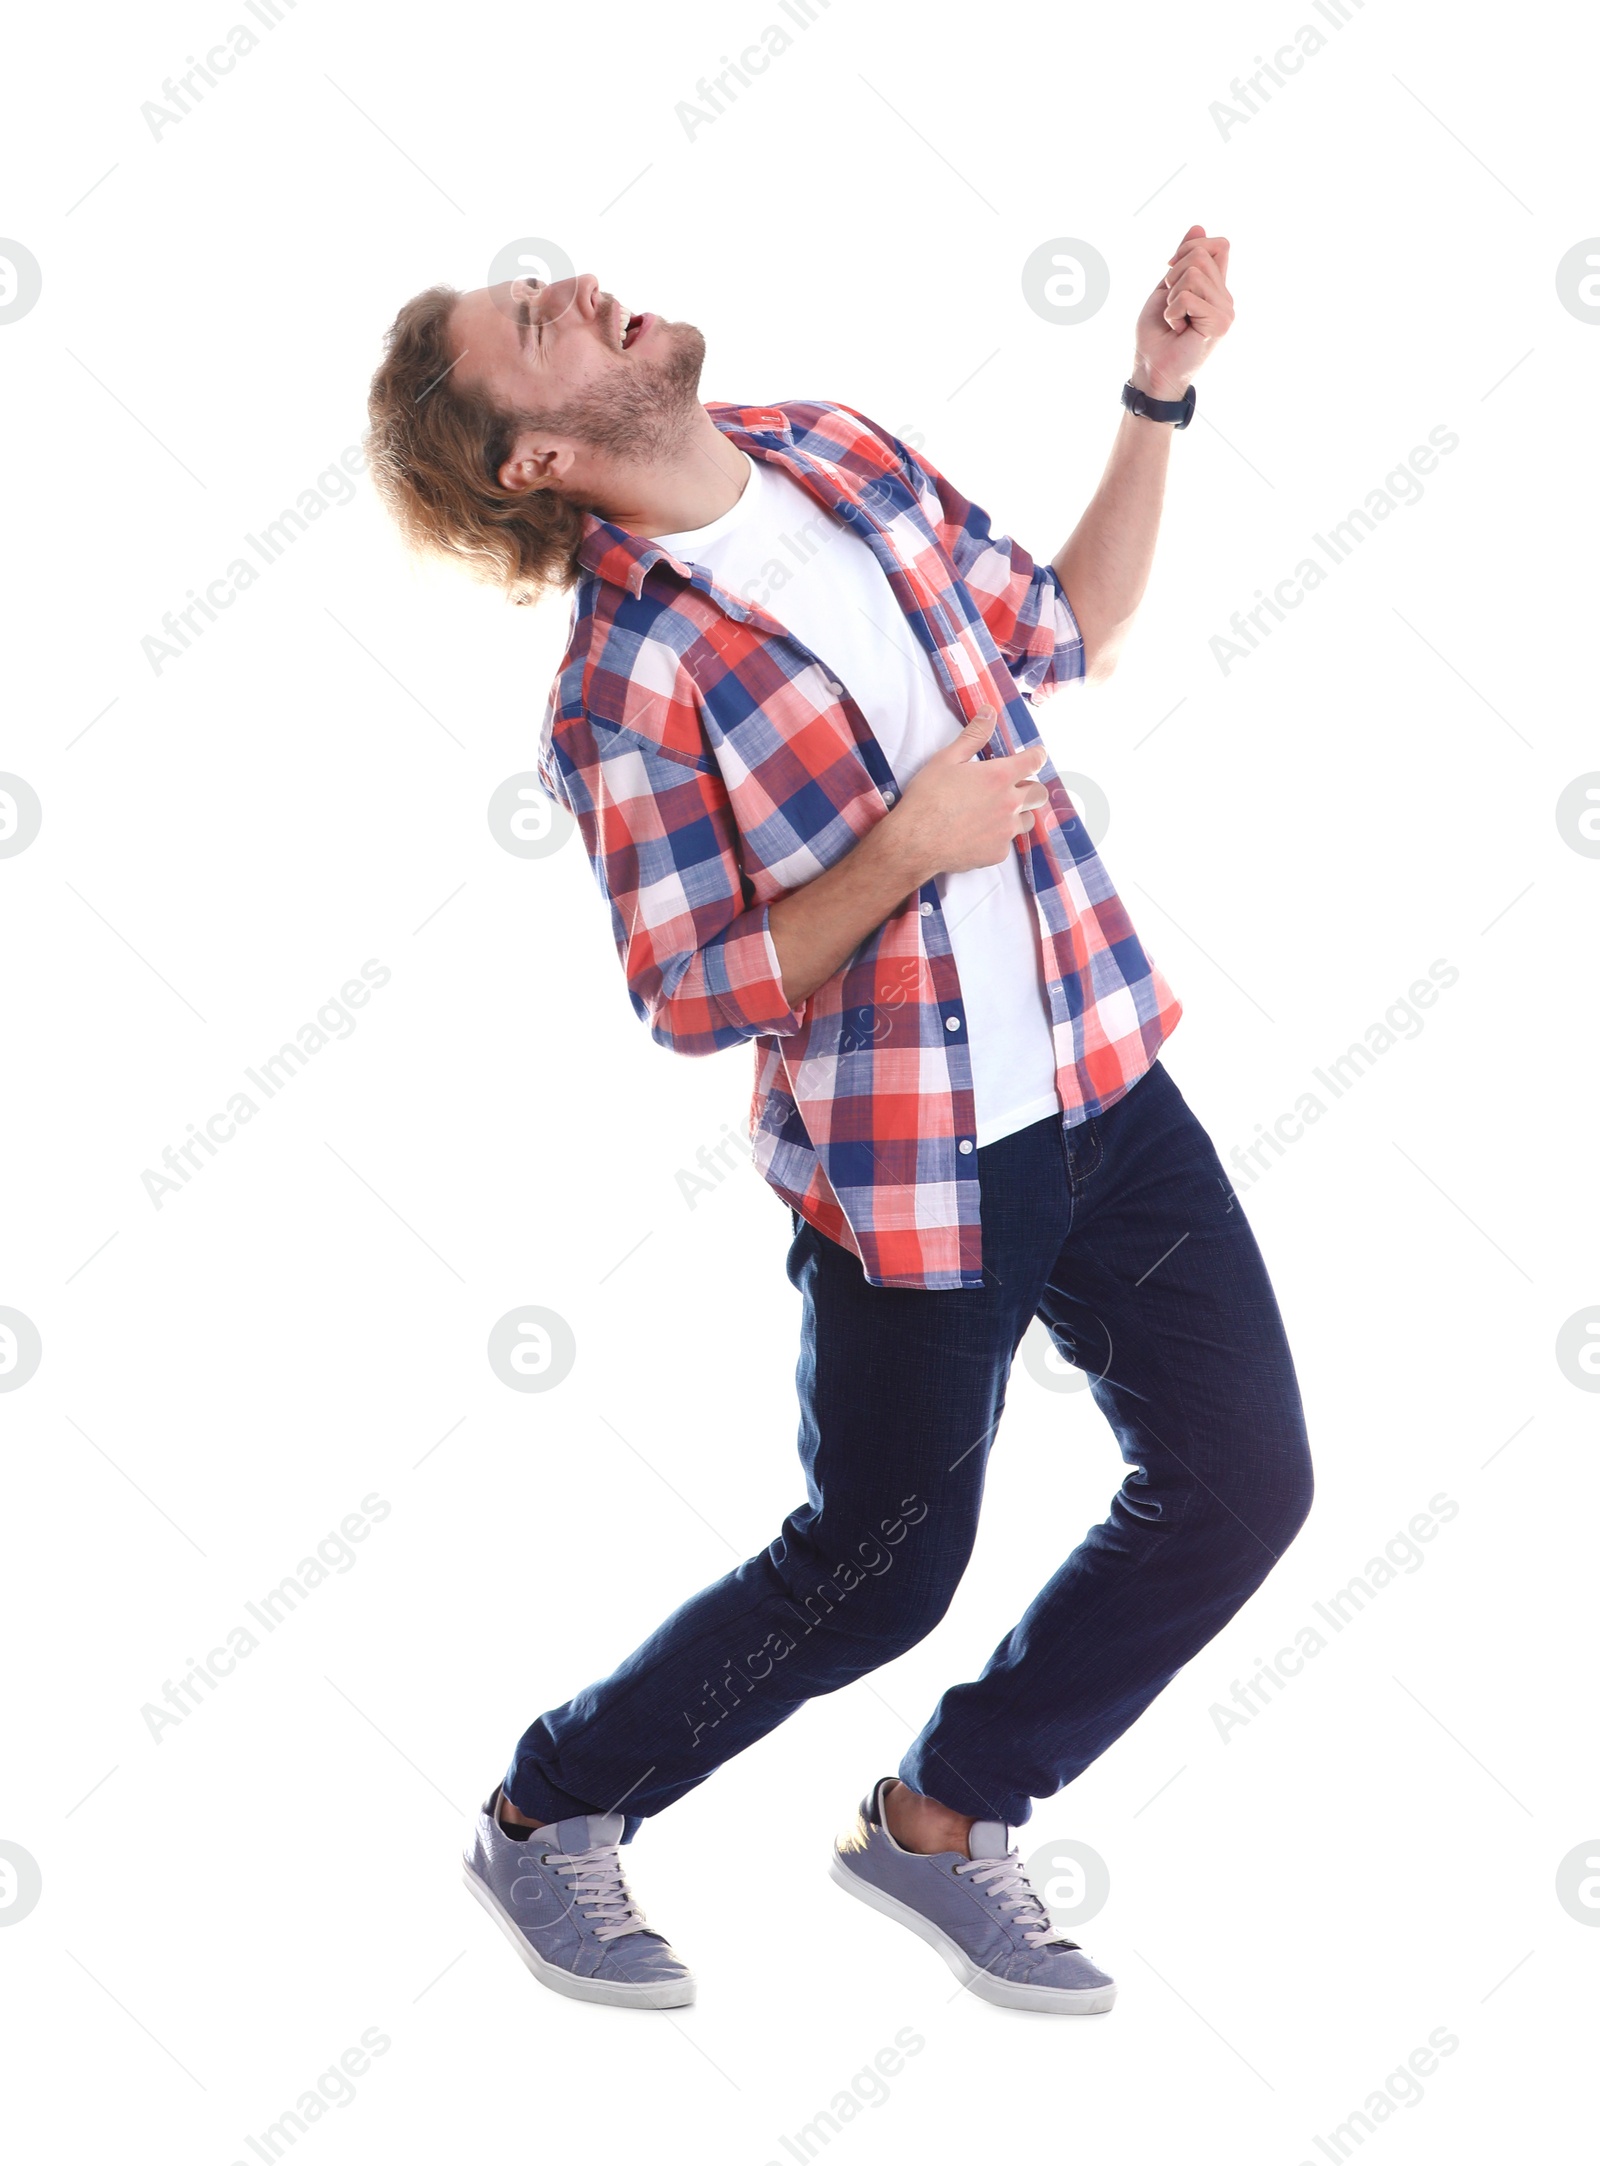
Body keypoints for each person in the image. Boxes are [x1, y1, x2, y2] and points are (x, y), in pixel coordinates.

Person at [364, 228, 1312, 2015]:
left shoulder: (842, 454)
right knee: (879, 1574)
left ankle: (943, 1821)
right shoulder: (620, 685)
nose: (567, 281)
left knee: (1246, 1479)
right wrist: (902, 852)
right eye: (527, 323)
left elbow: (1071, 623)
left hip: (1100, 1075)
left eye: (546, 275)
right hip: (911, 1161)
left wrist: (1159, 384)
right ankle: (548, 1807)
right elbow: (689, 991)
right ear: (534, 459)